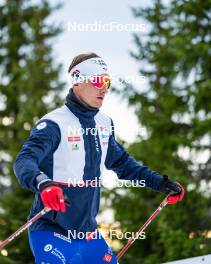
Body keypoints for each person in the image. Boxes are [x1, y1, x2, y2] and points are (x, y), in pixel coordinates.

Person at [14, 52, 184, 264]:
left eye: (108, 82)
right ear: (78, 81)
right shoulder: (53, 124)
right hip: (51, 230)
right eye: (98, 80)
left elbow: (122, 163)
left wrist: (160, 183)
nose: (104, 87)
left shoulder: (104, 124)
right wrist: (43, 184)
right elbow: (24, 161)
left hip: (88, 234)